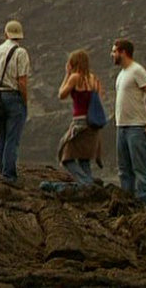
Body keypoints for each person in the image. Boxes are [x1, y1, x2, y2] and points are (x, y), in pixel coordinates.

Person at [40, 50, 103, 193]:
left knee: (66, 155)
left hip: (80, 122)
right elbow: (99, 99)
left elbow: (61, 94)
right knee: (84, 157)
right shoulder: (94, 79)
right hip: (93, 124)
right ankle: (88, 184)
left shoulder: (75, 77)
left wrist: (67, 74)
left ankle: (86, 184)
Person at [112, 39, 146, 205]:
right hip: (122, 127)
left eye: (114, 51)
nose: (112, 55)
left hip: (136, 126)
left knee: (140, 167)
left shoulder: (137, 70)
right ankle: (128, 200)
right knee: (124, 168)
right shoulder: (121, 74)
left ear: (123, 52)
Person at [0, 20, 31, 183]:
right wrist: (25, 100)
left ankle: (2, 170)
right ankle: (9, 175)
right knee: (13, 138)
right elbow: (22, 80)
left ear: (5, 34)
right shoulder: (21, 53)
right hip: (14, 96)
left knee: (3, 136)